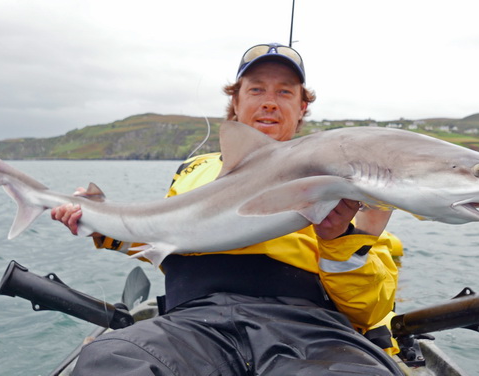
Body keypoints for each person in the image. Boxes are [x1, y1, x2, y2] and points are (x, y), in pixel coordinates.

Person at [52, 43, 404, 375]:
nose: (269, 102)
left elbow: (370, 310)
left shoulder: (345, 178)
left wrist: (339, 238)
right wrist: (98, 224)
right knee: (112, 361)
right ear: (234, 102)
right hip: (192, 323)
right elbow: (161, 238)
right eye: (256, 90)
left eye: (284, 92)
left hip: (307, 327)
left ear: (302, 109)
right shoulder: (193, 171)